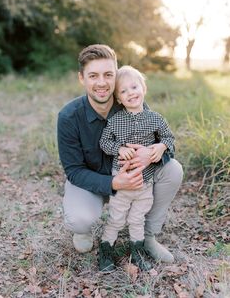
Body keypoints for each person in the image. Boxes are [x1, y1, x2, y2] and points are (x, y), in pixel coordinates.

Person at [57, 44, 183, 270]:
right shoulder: (69, 116)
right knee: (80, 218)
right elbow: (74, 170)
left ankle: (147, 236)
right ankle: (85, 231)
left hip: (137, 179)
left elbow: (166, 142)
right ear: (81, 78)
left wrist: (152, 153)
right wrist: (114, 182)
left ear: (116, 76)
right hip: (93, 182)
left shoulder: (132, 102)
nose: (102, 82)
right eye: (93, 76)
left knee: (173, 169)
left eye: (108, 74)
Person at [98, 65, 176, 271]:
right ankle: (106, 251)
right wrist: (119, 148)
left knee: (137, 219)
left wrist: (161, 146)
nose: (130, 92)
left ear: (143, 88)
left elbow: (169, 138)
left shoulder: (156, 119)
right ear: (118, 99)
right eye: (123, 91)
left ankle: (136, 252)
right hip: (122, 180)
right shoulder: (115, 121)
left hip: (145, 182)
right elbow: (104, 143)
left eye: (134, 87)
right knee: (116, 217)